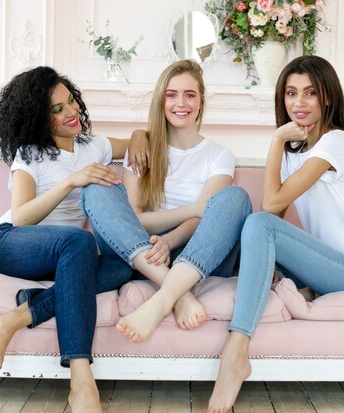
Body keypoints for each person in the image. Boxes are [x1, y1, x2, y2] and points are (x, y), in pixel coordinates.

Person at [204, 55, 344, 413]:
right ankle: (290, 293)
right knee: (257, 227)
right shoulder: (297, 151)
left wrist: (275, 140)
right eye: (291, 93)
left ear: (327, 98)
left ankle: (236, 350)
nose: (299, 103)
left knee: (258, 225)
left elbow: (269, 207)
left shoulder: (336, 143)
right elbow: (271, 215)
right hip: (326, 267)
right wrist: (282, 146)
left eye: (309, 93)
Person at [0, 66, 148, 413]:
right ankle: (80, 379)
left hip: (66, 253)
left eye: (71, 101)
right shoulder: (30, 154)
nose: (71, 112)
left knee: (123, 263)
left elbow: (137, 137)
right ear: (38, 118)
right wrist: (72, 181)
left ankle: (16, 317)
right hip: (11, 243)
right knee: (79, 242)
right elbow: (22, 216)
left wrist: (138, 135)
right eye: (57, 109)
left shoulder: (94, 146)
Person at [80, 59, 252, 342]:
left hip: (199, 250)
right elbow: (131, 219)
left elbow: (209, 221)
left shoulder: (219, 155)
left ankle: (161, 301)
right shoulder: (141, 149)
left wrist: (170, 241)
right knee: (95, 190)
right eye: (171, 94)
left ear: (201, 102)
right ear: (161, 101)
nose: (180, 103)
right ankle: (180, 295)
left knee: (236, 198)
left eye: (189, 94)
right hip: (141, 250)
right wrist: (193, 212)